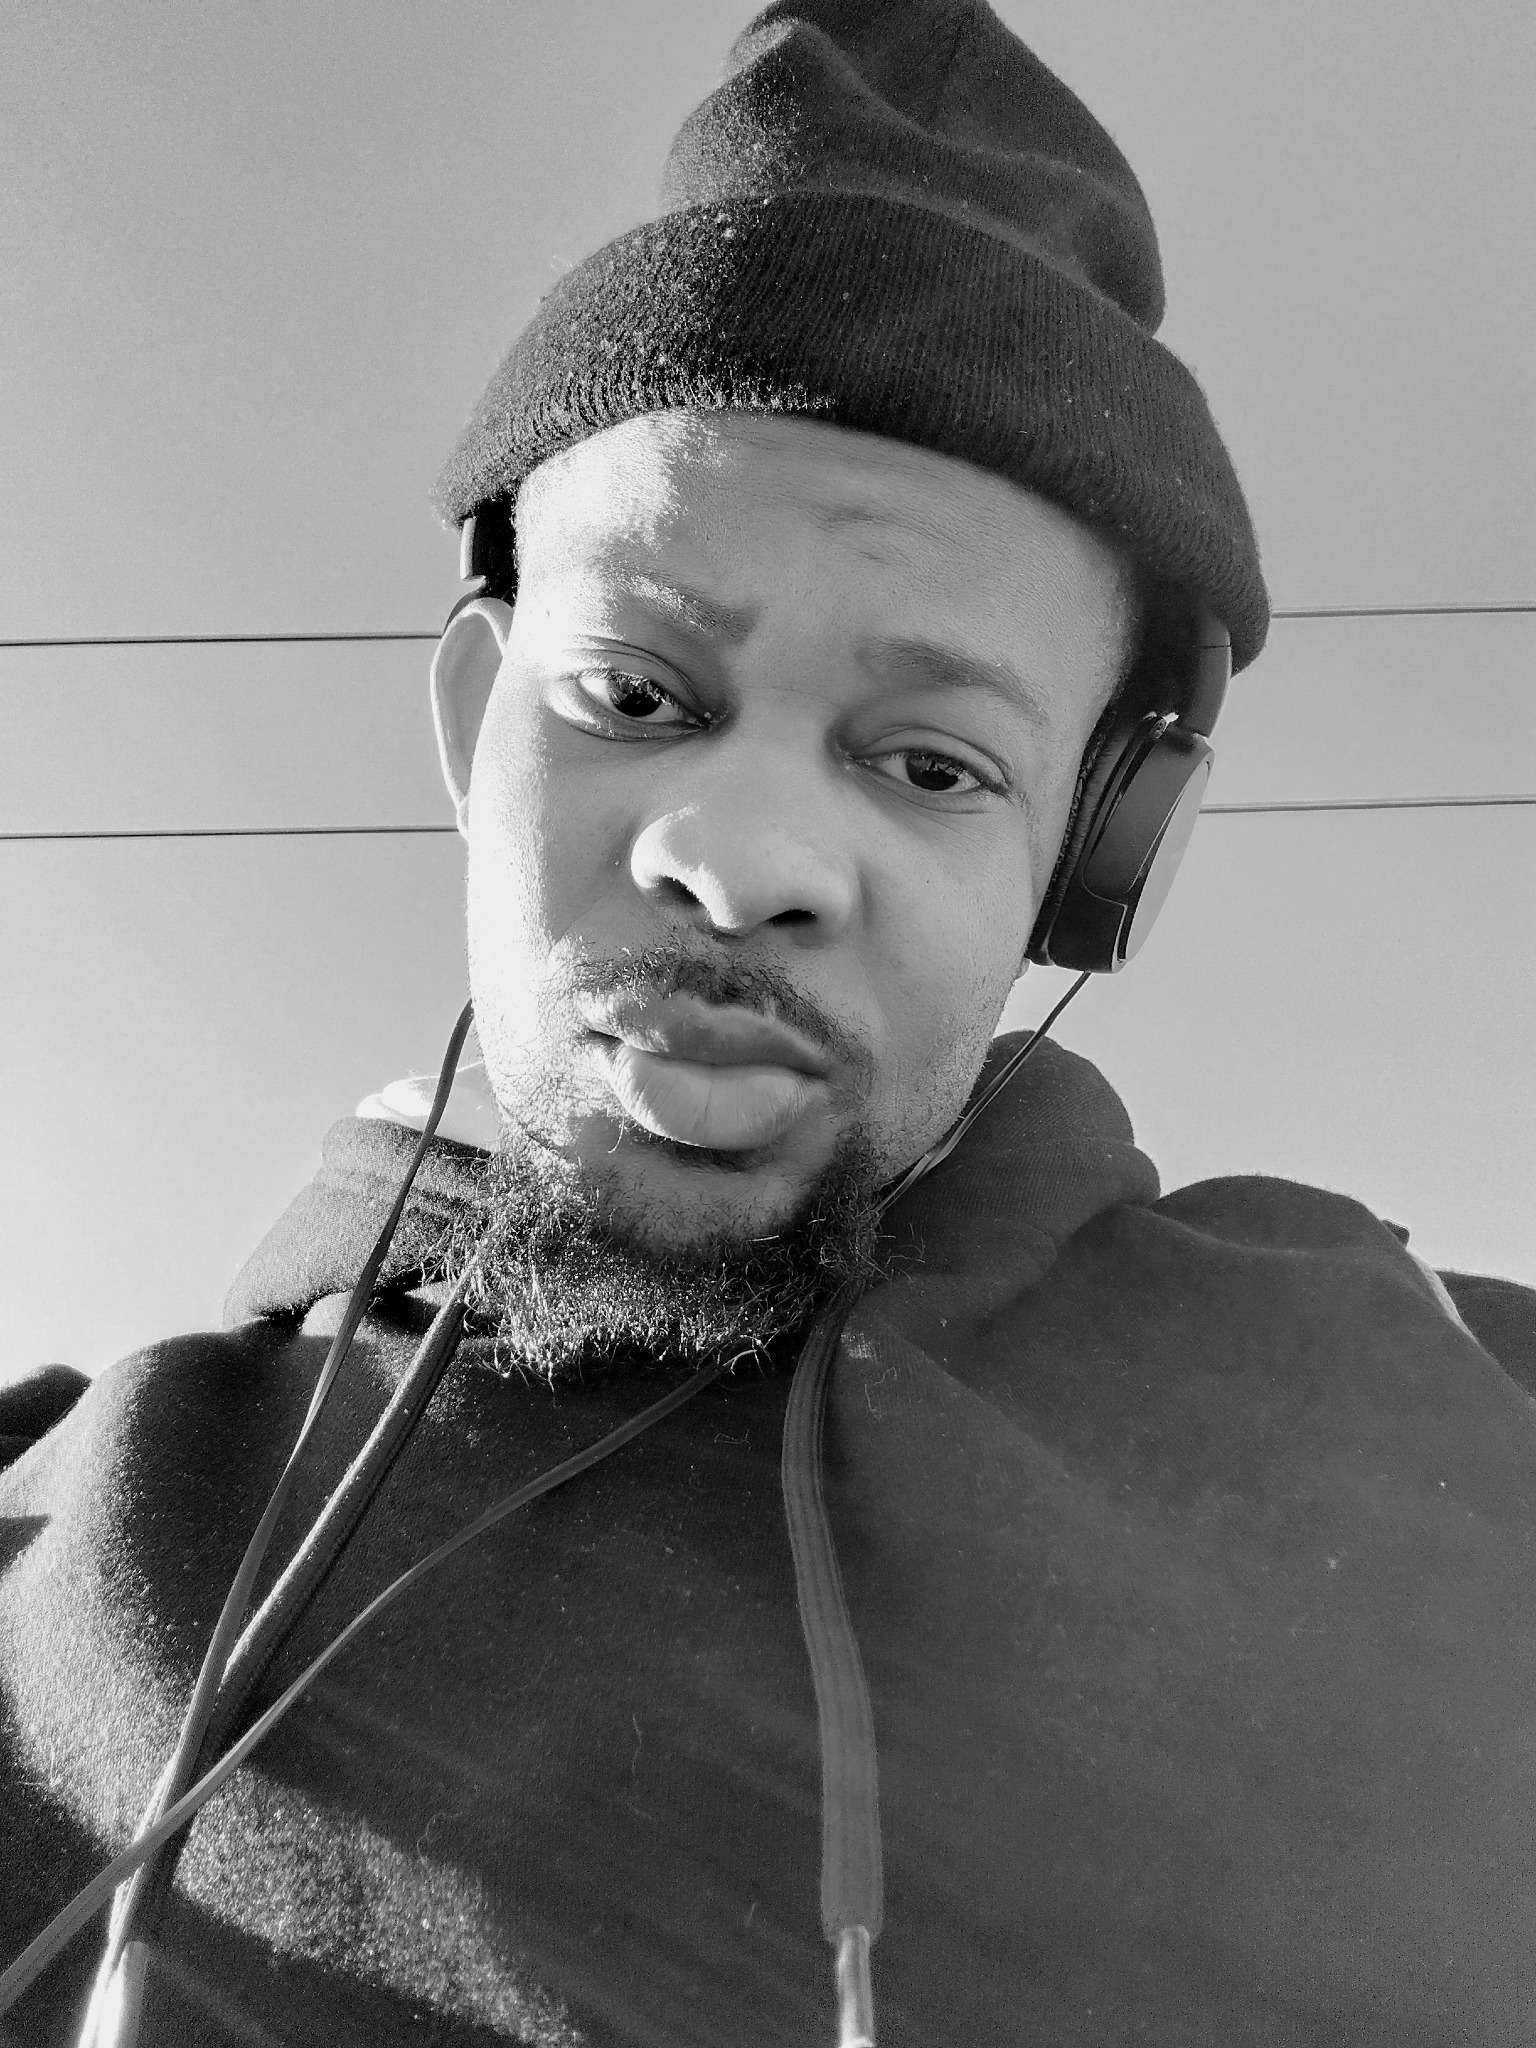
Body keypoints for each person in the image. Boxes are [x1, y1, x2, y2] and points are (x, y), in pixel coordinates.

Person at [3, 3, 1534, 2043]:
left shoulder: (1448, 1425)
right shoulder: (52, 1522)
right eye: (636, 696)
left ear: (1093, 861)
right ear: (474, 721)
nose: (740, 864)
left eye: (932, 761)